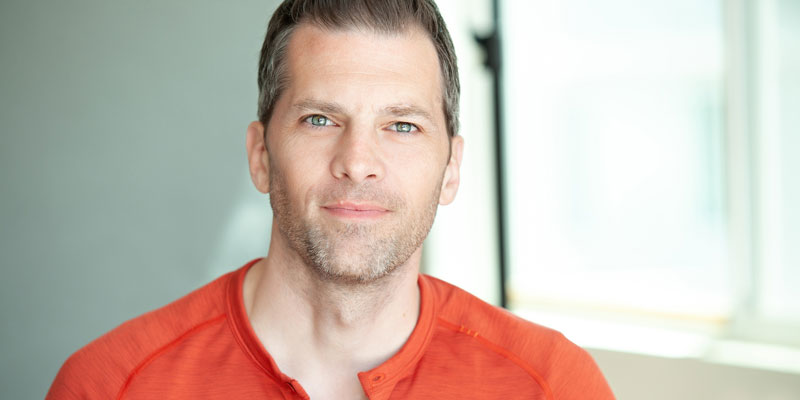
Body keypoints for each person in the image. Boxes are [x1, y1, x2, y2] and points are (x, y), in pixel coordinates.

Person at [47, 1, 615, 399]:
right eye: (320, 119)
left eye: (403, 125)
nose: (358, 161)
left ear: (451, 169)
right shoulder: (109, 386)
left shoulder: (551, 386)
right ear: (261, 156)